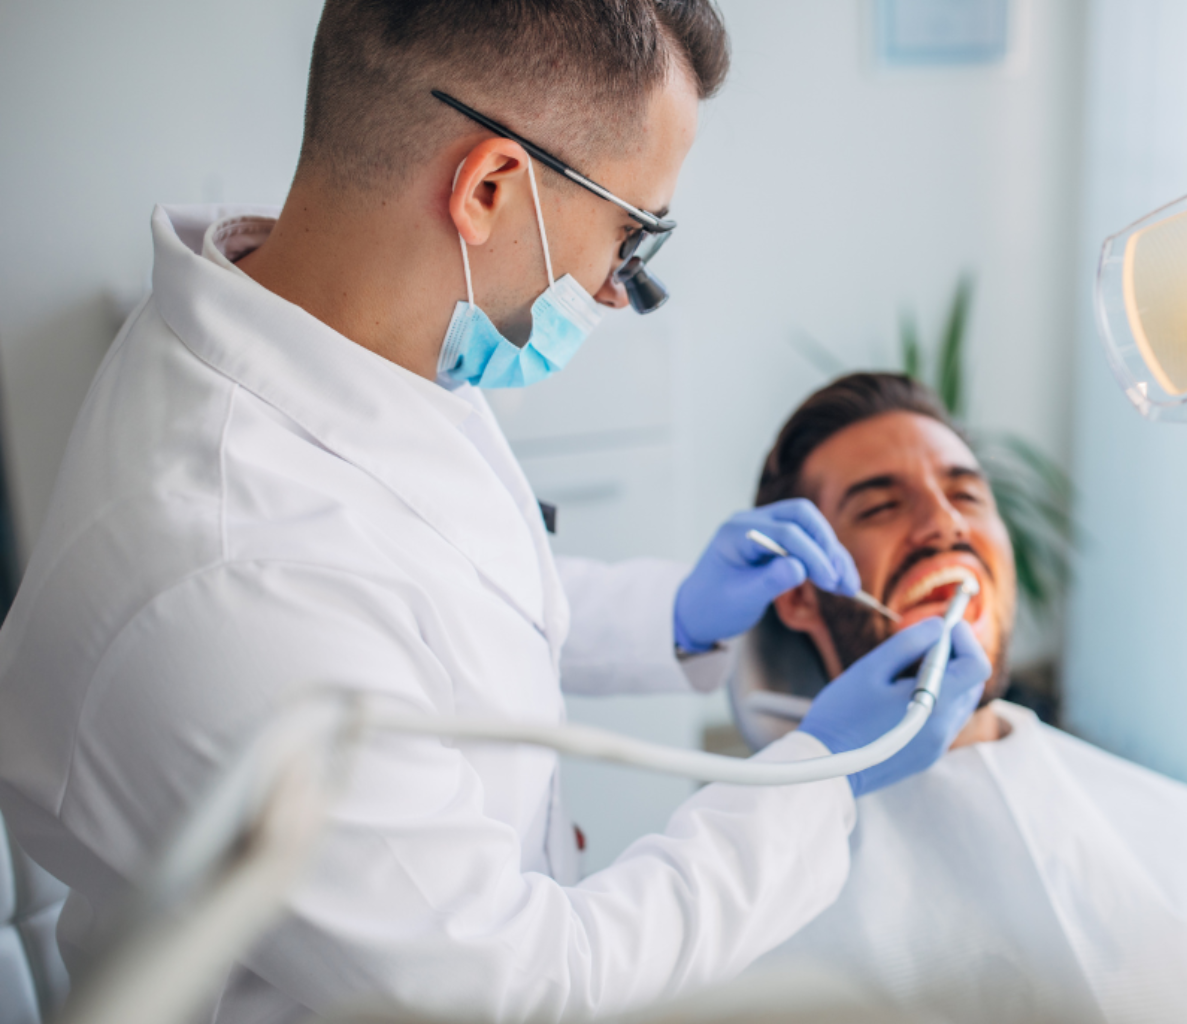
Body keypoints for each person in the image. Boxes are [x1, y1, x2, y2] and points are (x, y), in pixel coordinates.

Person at [0, 5, 988, 1023]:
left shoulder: (331, 328)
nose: (617, 291)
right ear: (487, 188)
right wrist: (818, 779)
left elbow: (428, 607)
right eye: (632, 235)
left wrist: (674, 617)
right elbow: (517, 987)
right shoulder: (232, 572)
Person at [730, 373, 1187, 1024]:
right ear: (800, 596)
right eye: (880, 508)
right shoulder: (749, 927)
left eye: (966, 495)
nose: (944, 524)